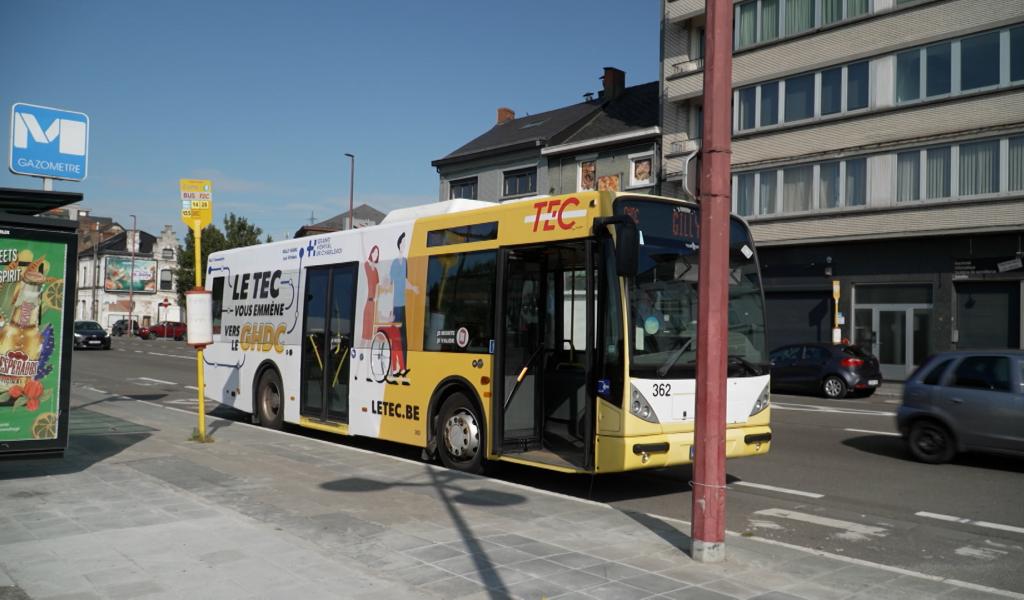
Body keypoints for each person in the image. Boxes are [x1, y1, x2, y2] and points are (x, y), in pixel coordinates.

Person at [388, 233, 418, 384]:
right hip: (396, 304)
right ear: (399, 244)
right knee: (396, 339)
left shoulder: (405, 262)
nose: (404, 244)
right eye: (403, 242)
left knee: (403, 339)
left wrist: (413, 288)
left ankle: (403, 368)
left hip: (404, 304)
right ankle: (394, 370)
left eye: (406, 242)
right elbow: (390, 283)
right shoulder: (394, 262)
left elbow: (405, 280)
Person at [361, 245, 380, 344]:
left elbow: (377, 286)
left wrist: (376, 298)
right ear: (371, 253)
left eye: (377, 253)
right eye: (374, 252)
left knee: (370, 334)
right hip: (368, 301)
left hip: (373, 304)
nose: (375, 254)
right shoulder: (366, 265)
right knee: (365, 332)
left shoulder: (376, 270)